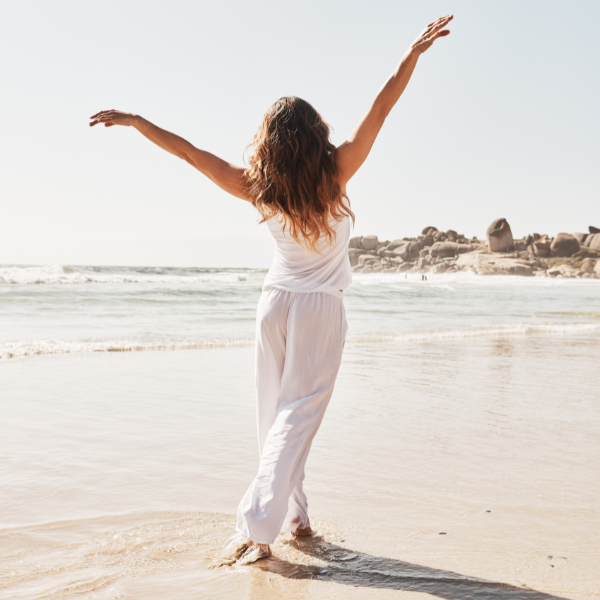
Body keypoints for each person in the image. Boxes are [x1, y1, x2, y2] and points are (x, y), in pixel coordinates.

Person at [90, 14, 452, 564]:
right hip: (319, 312)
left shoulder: (257, 187)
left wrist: (140, 121)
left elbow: (190, 153)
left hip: (273, 306)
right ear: (315, 135)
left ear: (271, 142)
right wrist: (412, 55)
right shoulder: (337, 172)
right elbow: (381, 108)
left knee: (275, 418)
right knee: (295, 417)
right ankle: (257, 529)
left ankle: (294, 517)